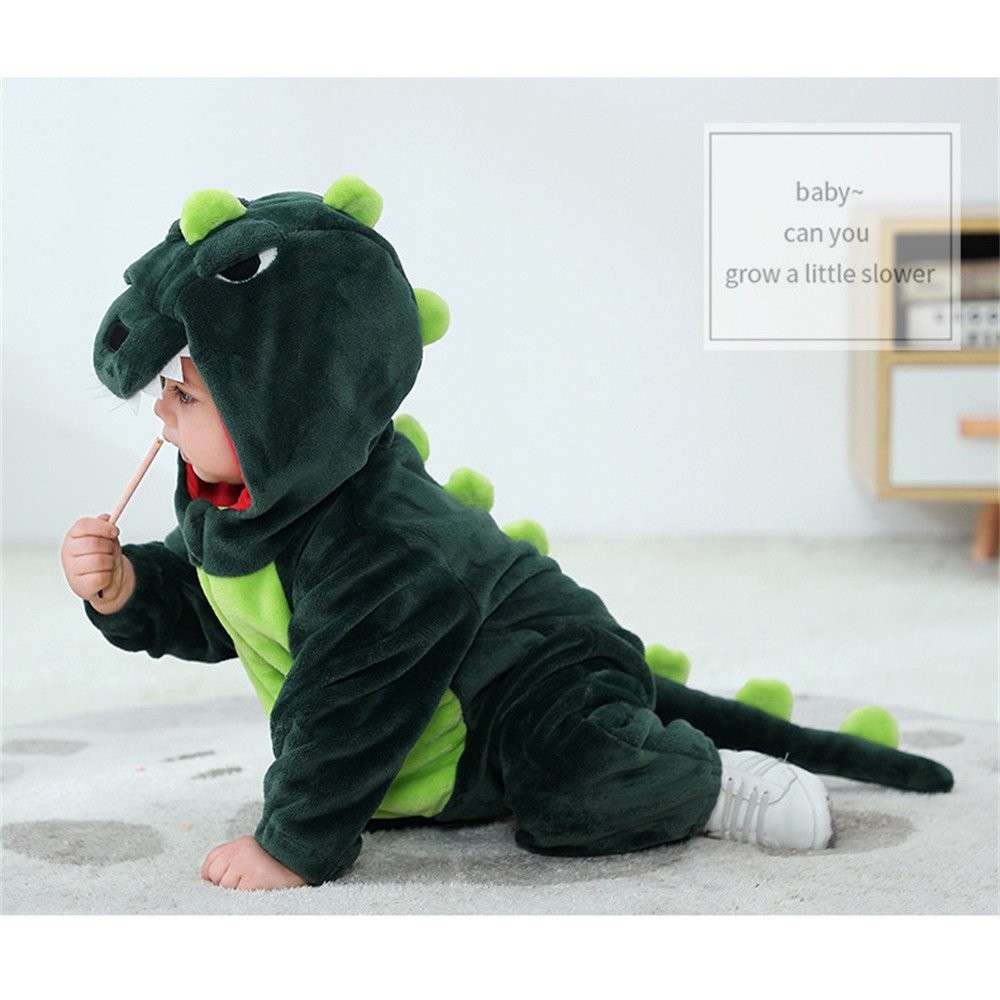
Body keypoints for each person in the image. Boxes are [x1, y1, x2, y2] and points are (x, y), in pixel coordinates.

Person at [61, 180, 950, 890]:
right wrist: (127, 588)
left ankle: (708, 779)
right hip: (431, 730)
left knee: (569, 797)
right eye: (166, 393)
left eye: (186, 394)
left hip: (535, 682)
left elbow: (347, 702)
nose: (162, 413)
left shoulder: (380, 544)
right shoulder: (233, 497)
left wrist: (294, 841)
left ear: (286, 412)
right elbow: (230, 609)